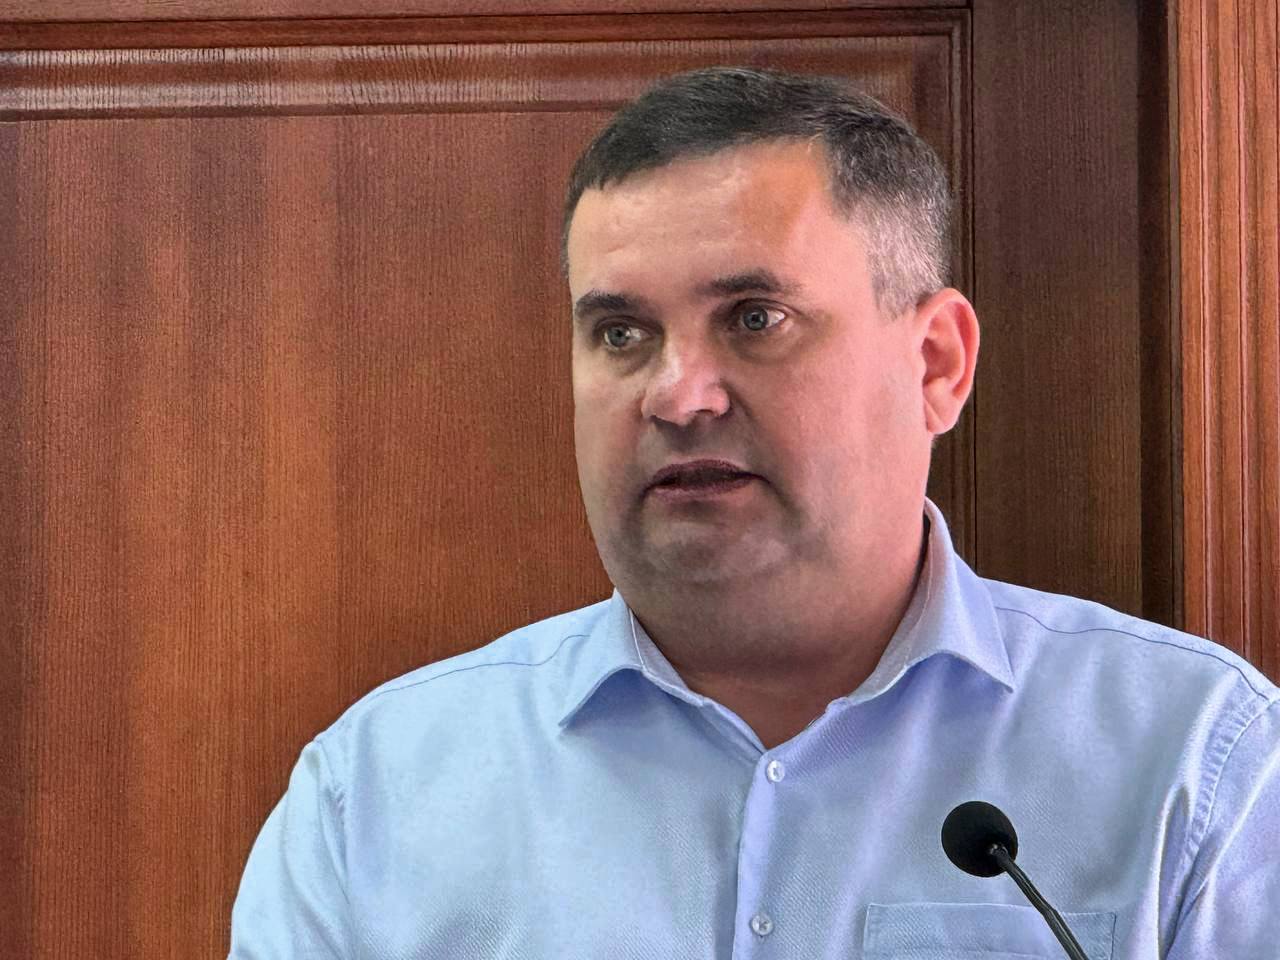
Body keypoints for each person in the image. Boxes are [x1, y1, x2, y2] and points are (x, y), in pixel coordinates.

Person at [229, 67, 1280, 958]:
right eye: (621, 333)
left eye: (753, 318)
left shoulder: (1199, 767)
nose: (677, 395)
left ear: (935, 364)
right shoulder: (378, 794)